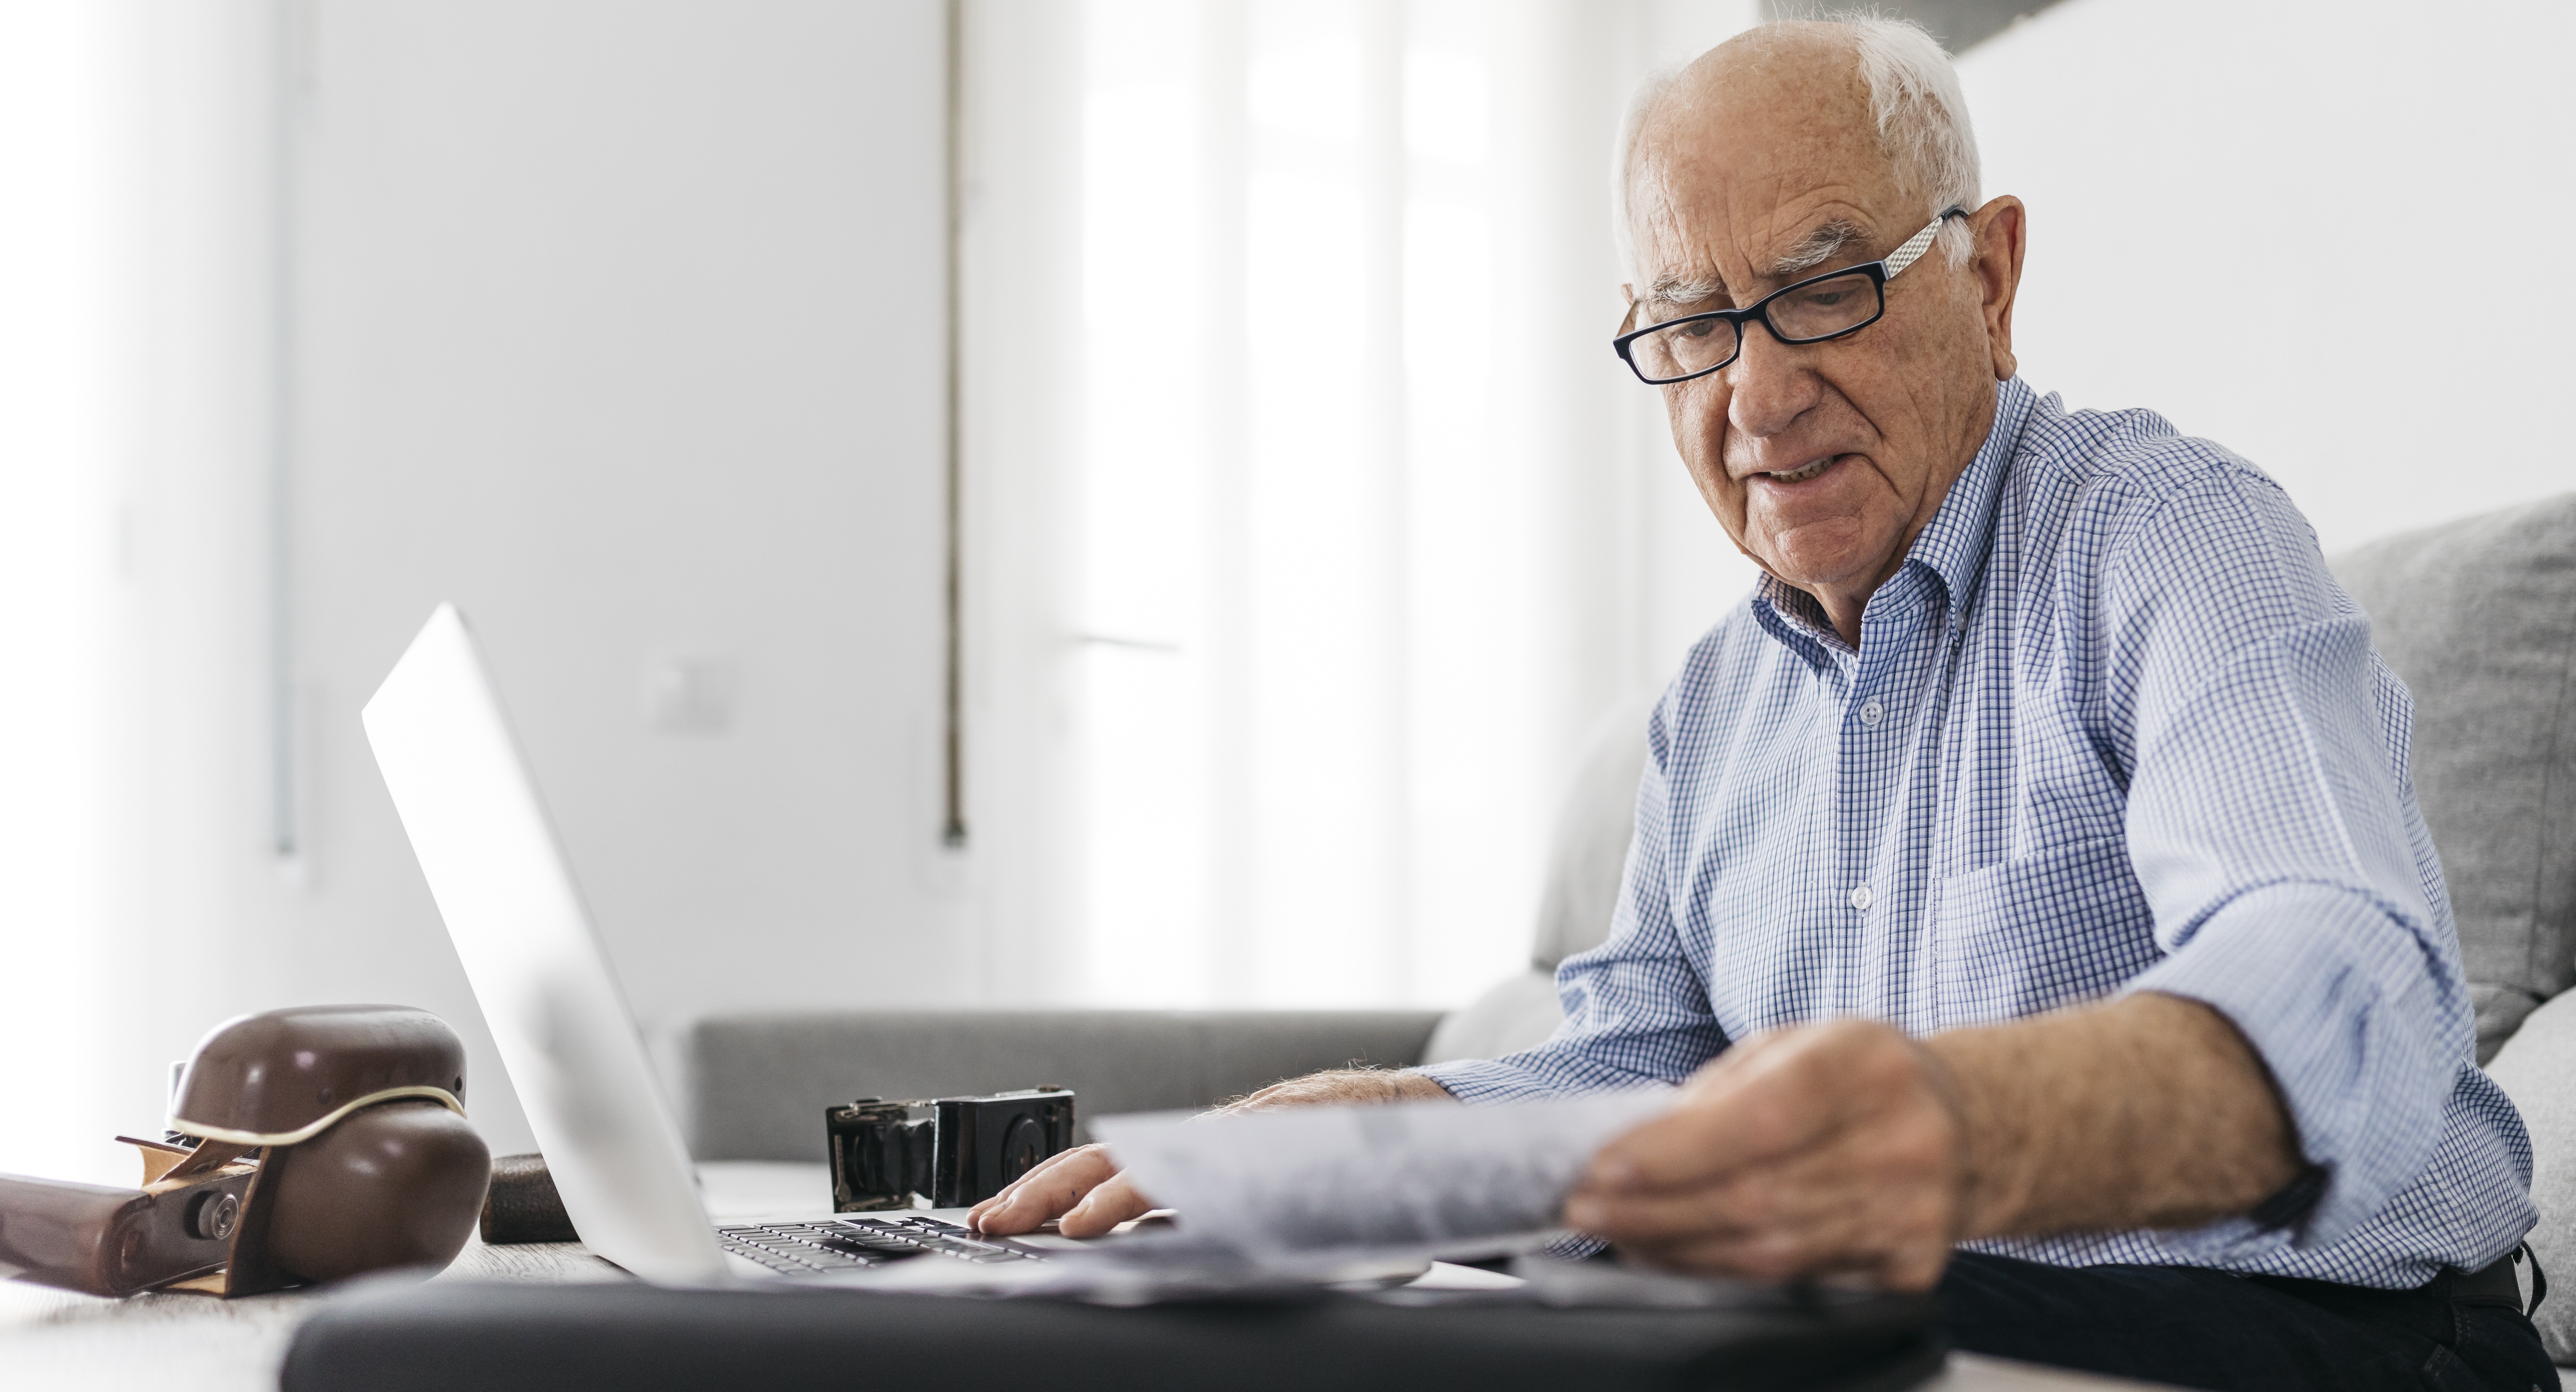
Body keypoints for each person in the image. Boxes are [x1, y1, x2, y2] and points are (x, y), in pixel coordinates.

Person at [972, 17, 2553, 1389]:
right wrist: (1378, 1131)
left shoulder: (2165, 534)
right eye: (1690, 326)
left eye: (1823, 288)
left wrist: (1956, 1125)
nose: (1755, 393)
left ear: (1988, 279)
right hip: (1935, 1308)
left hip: (2350, 1336)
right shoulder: (1719, 702)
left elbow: (2343, 968)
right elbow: (1641, 1057)